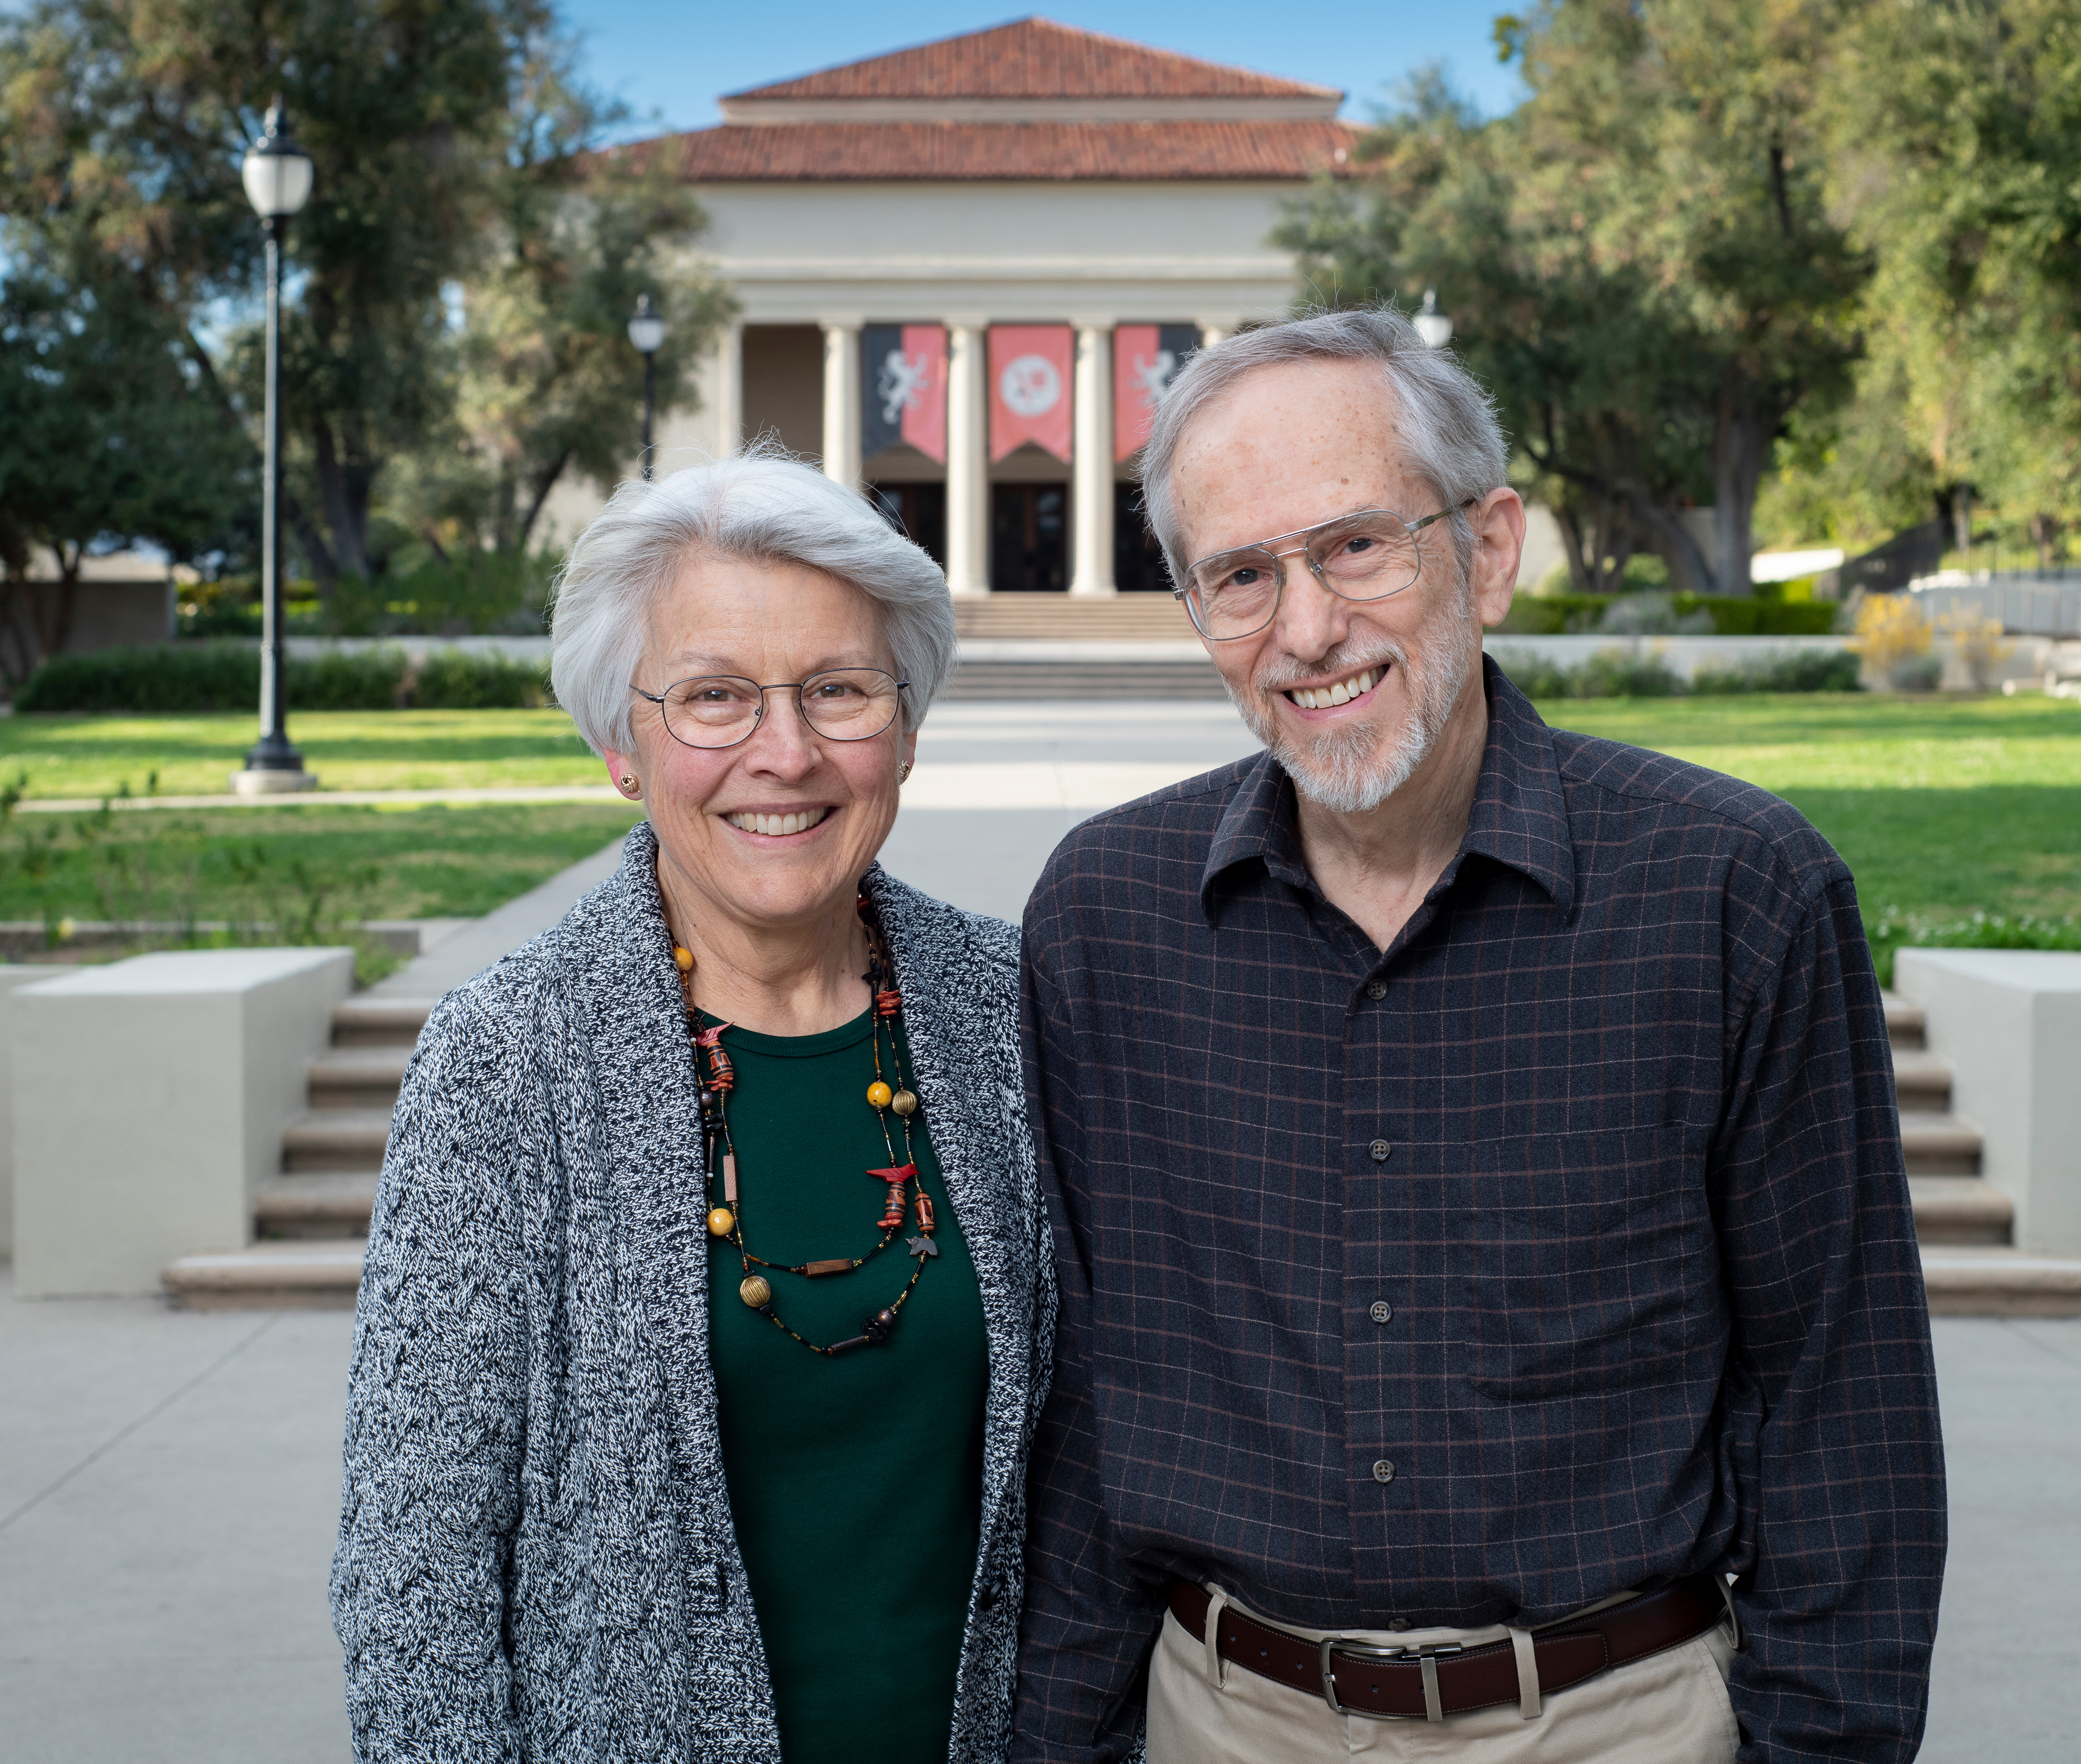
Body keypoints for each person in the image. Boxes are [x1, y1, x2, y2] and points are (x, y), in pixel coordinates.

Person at [1011, 310, 1945, 1763]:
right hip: (1224, 1720)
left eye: (1356, 547)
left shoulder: (1732, 892)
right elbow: (1085, 1406)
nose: (1306, 630)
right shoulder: (1107, 915)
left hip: (1617, 1725)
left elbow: (1845, 1409)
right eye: (1241, 576)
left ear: (1489, 550)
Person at [331, 453, 1053, 1763]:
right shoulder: (508, 1059)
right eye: (715, 696)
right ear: (624, 745)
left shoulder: (1015, 1012)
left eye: (839, 689)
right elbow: (414, 1576)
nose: (785, 753)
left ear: (905, 728)